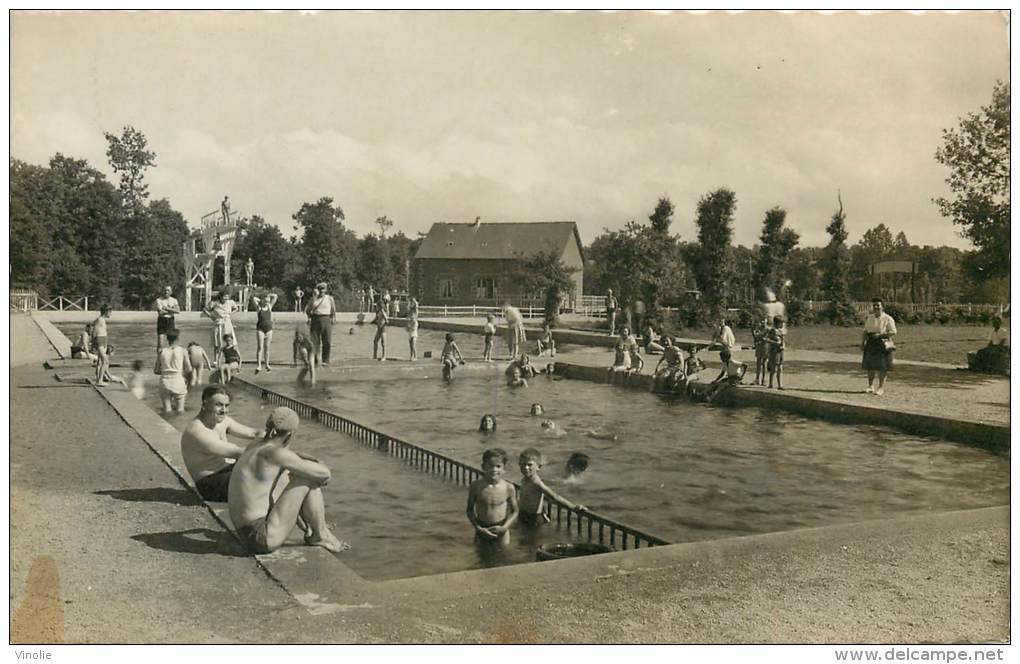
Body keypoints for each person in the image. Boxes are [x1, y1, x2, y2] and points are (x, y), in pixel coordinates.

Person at [228, 406, 349, 554]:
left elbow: (290, 456)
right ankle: (321, 534)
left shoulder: (256, 445)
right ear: (290, 435)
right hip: (260, 538)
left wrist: (308, 461)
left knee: (291, 473)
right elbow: (325, 474)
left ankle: (311, 528)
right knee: (307, 478)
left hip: (246, 534)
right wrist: (318, 467)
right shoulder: (274, 453)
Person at [181, 385, 264, 502]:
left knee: (270, 470)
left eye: (226, 405)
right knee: (266, 474)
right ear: (204, 404)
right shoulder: (198, 432)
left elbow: (254, 432)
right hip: (210, 484)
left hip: (225, 472)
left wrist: (272, 435)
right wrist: (273, 446)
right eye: (218, 405)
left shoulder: (222, 421)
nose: (224, 410)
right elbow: (241, 452)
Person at [517, 448, 586, 527]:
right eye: (523, 464)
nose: (526, 467)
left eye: (529, 465)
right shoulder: (525, 479)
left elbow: (554, 496)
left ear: (538, 467)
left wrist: (572, 507)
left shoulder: (536, 482)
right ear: (519, 465)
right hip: (523, 515)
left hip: (534, 518)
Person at [466, 448, 518, 545]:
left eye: (498, 466)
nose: (494, 470)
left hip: (501, 529)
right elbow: (469, 510)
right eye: (490, 466)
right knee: (479, 556)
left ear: (504, 469)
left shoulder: (508, 487)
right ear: (483, 467)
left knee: (503, 556)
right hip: (482, 528)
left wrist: (505, 527)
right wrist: (478, 528)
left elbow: (515, 511)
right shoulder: (476, 486)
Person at [861, 298, 897, 396]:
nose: (876, 307)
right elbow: (865, 331)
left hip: (883, 342)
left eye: (878, 305)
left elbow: (893, 331)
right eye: (874, 305)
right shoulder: (870, 318)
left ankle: (881, 387)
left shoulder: (888, 318)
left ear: (882, 307)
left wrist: (881, 334)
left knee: (882, 366)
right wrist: (863, 342)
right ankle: (870, 386)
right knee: (870, 366)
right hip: (871, 342)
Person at [154, 328, 193, 413]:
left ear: (167, 339)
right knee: (180, 410)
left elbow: (156, 370)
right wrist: (183, 376)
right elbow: (189, 369)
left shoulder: (162, 351)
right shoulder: (183, 351)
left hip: (164, 381)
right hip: (178, 380)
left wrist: (166, 370)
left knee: (167, 411)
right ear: (178, 338)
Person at [202, 290, 240, 365]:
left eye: (227, 296)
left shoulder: (230, 302)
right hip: (218, 323)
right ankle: (216, 359)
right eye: (224, 296)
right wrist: (211, 316)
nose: (226, 298)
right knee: (217, 343)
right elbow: (205, 309)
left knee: (230, 341)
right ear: (221, 297)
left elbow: (236, 309)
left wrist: (230, 314)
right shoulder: (215, 303)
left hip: (227, 323)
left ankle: (232, 357)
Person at [306, 283, 336, 367]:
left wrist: (333, 317)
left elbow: (333, 309)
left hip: (326, 319)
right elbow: (308, 310)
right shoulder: (313, 299)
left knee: (327, 341)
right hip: (315, 319)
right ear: (317, 290)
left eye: (323, 289)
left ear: (326, 290)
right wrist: (309, 317)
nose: (322, 291)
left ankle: (325, 360)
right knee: (314, 341)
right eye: (320, 289)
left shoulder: (330, 298)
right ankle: (315, 360)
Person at [252, 292, 278, 374]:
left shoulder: (270, 306)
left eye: (268, 300)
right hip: (260, 329)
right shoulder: (259, 308)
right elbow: (253, 299)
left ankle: (267, 364)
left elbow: (275, 296)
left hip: (269, 329)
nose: (267, 301)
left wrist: (269, 296)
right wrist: (262, 300)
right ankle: (259, 365)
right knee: (260, 347)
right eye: (266, 300)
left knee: (267, 347)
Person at [765, 315, 786, 390]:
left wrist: (783, 345)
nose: (782, 325)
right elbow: (766, 339)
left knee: (780, 368)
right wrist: (775, 343)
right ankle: (770, 384)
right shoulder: (772, 330)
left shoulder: (780, 331)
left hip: (780, 351)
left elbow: (782, 340)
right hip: (774, 352)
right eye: (781, 323)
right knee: (773, 369)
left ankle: (780, 385)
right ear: (777, 323)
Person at [93, 305, 112, 386]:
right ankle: (99, 380)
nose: (111, 314)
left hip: (103, 340)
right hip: (100, 340)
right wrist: (94, 343)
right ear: (106, 311)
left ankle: (98, 378)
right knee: (105, 361)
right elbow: (95, 331)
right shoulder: (100, 320)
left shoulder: (102, 320)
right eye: (110, 312)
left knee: (100, 361)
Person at [751, 315, 771, 386]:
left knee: (764, 363)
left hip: (766, 347)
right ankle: (757, 379)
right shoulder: (758, 329)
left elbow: (770, 338)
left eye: (764, 320)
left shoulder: (768, 329)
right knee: (758, 363)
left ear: (766, 321)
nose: (762, 322)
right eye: (761, 321)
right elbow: (755, 337)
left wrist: (765, 339)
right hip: (759, 346)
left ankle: (763, 379)